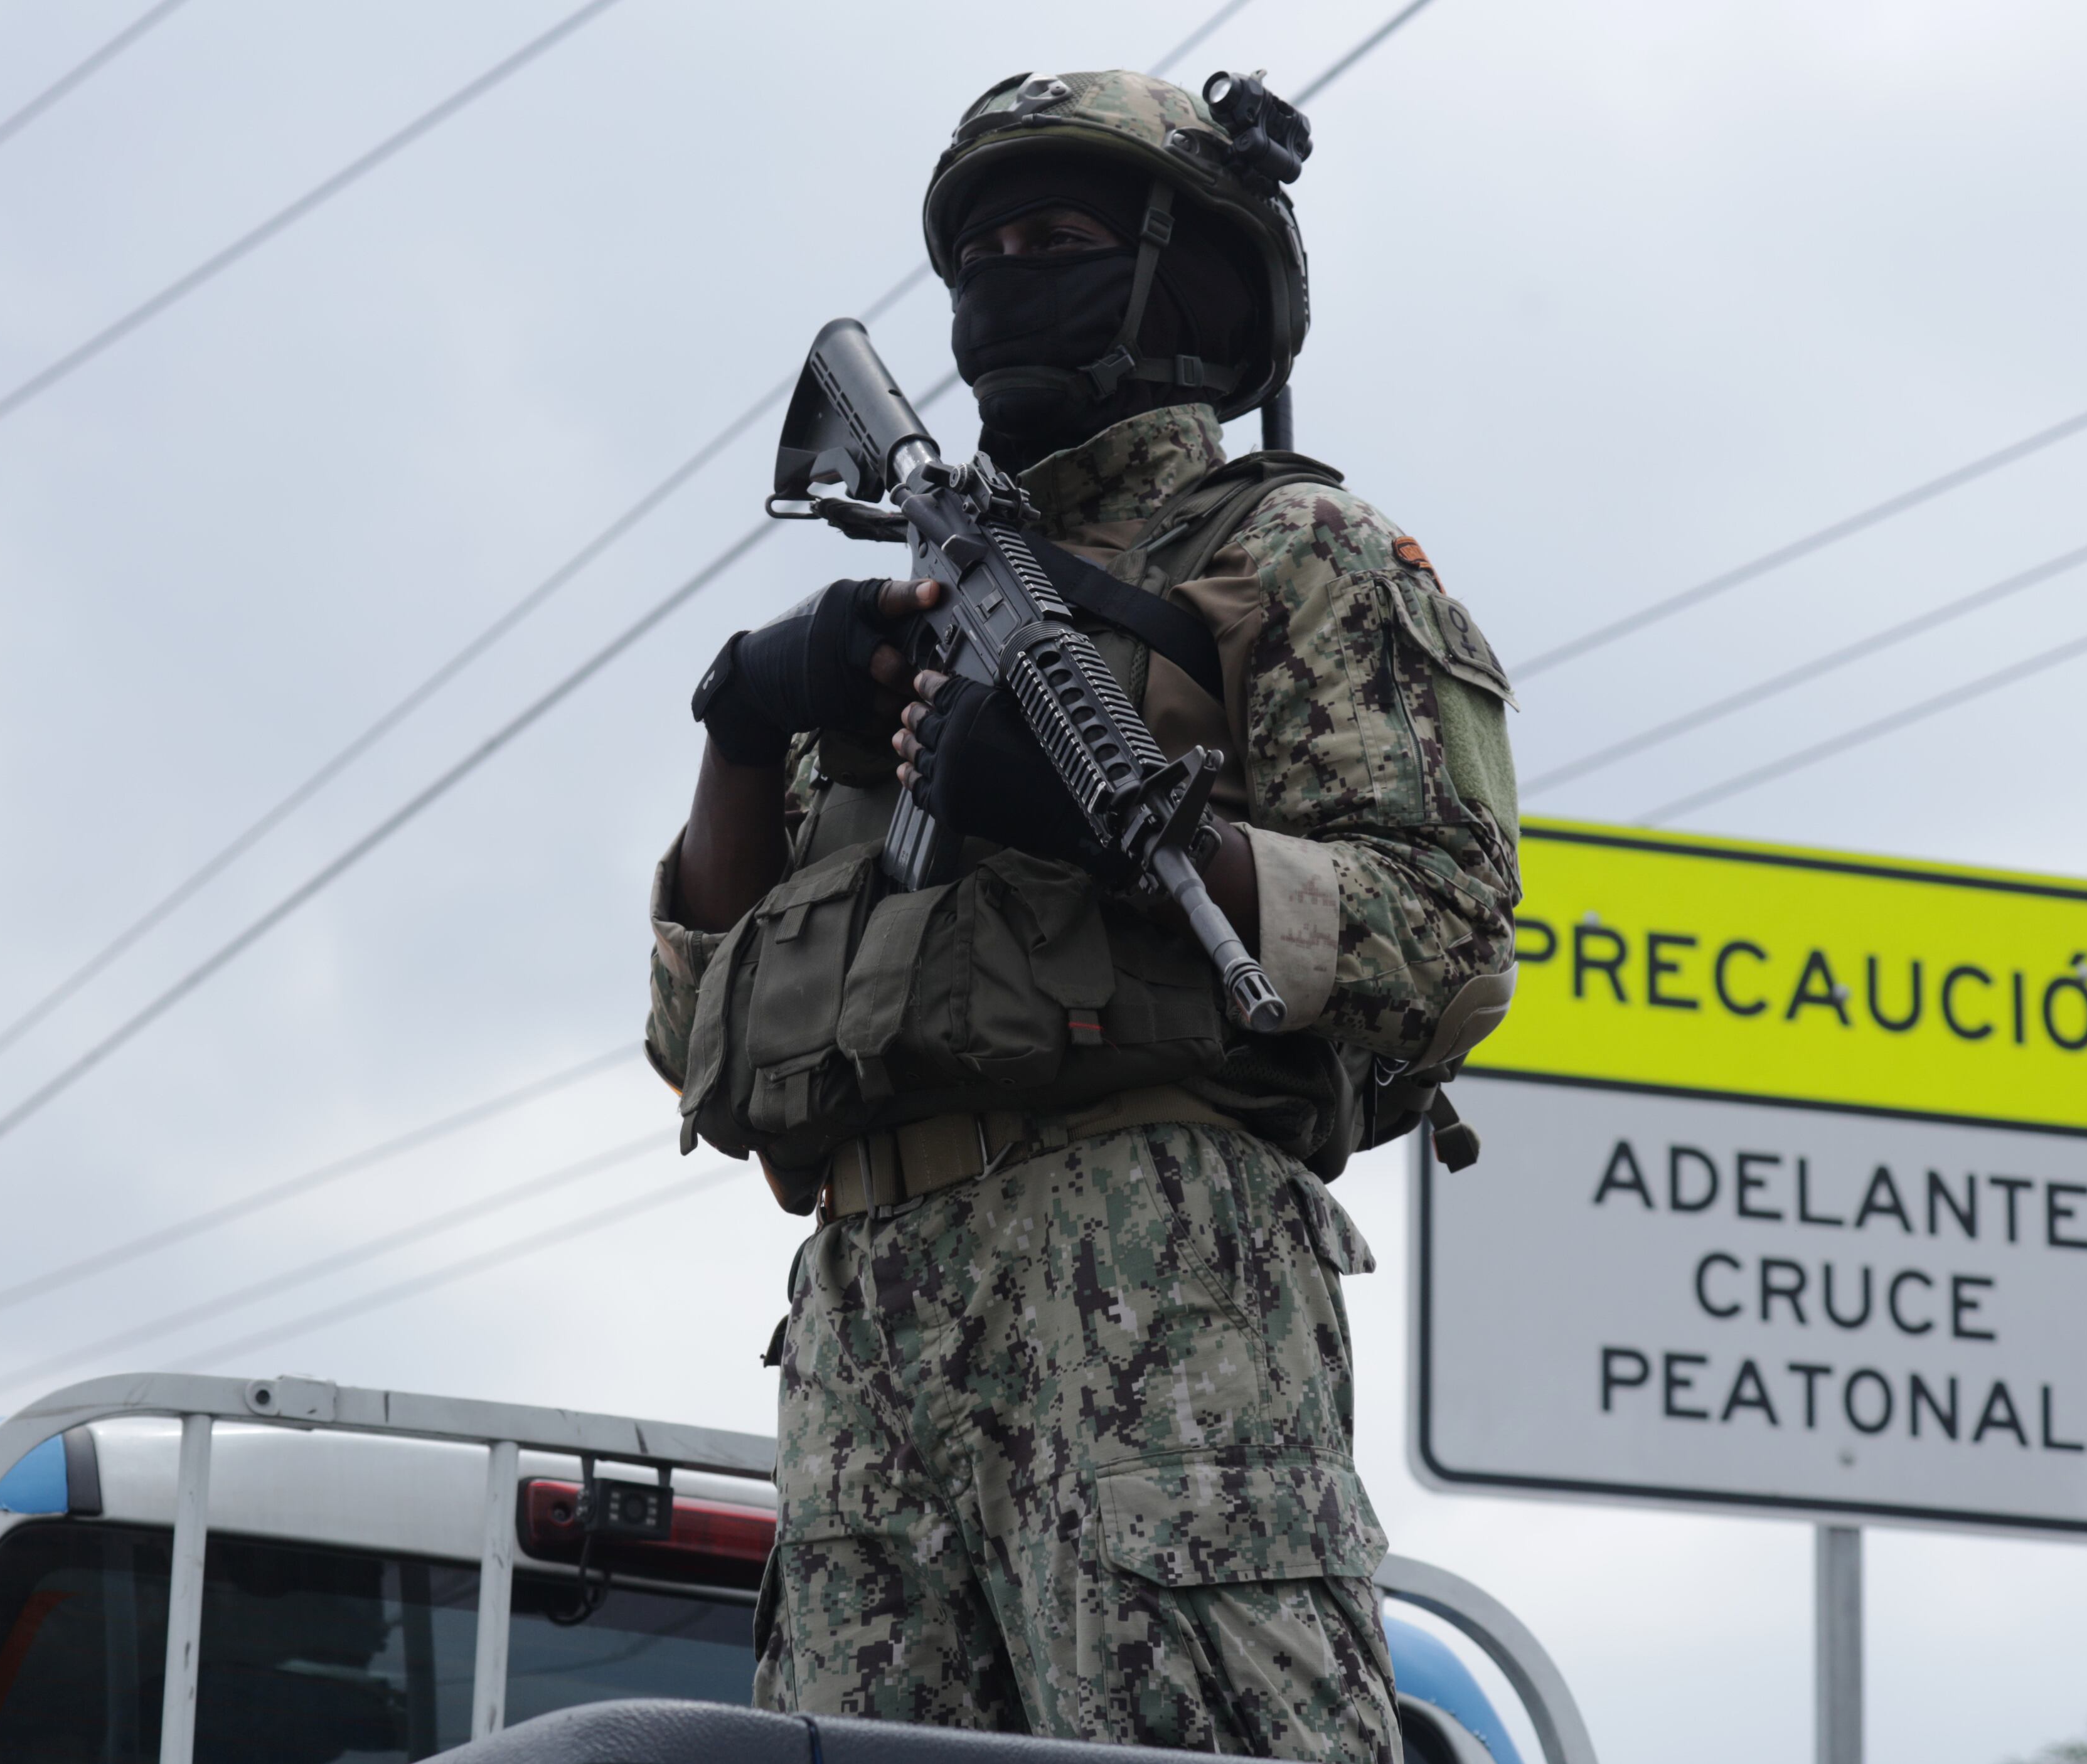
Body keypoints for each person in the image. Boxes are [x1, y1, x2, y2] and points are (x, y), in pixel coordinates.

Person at [642, 68, 1522, 1761]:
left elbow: (1456, 940)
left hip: (1156, 1293)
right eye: (978, 253)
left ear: (1186, 271)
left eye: (1054, 236)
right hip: (865, 1327)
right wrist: (747, 715)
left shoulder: (1306, 555)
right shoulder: (906, 612)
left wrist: (1124, 831)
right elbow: (702, 1041)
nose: (1002, 281)